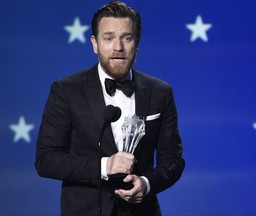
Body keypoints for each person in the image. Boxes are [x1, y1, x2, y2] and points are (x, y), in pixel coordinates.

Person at [35, 1, 185, 216]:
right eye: (108, 38)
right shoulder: (66, 90)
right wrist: (105, 166)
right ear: (94, 44)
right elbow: (46, 160)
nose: (118, 47)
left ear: (137, 42)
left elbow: (173, 160)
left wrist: (147, 183)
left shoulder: (160, 91)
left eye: (127, 37)